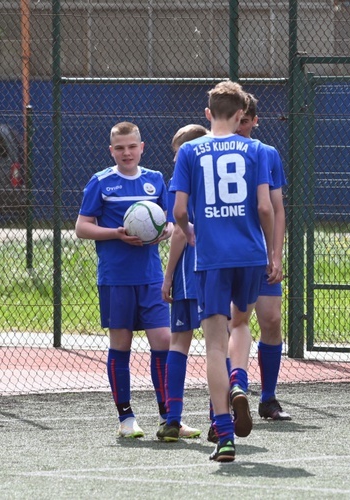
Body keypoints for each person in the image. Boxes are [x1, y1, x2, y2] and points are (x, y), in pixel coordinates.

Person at [170, 81, 275, 462]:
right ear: (241, 114)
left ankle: (225, 436)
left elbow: (179, 210)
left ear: (208, 113)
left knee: (213, 343)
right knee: (242, 324)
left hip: (211, 256)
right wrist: (273, 252)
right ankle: (240, 382)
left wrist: (189, 229)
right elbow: (266, 208)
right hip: (249, 252)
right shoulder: (257, 150)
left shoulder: (191, 151)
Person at [75, 121, 173, 438]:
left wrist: (162, 233)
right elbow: (82, 227)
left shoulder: (155, 180)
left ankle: (168, 417)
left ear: (142, 147)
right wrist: (115, 234)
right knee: (121, 345)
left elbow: (170, 224)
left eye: (132, 146)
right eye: (120, 148)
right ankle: (126, 418)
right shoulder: (100, 182)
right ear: (111, 151)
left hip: (151, 278)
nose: (126, 152)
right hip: (116, 278)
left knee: (163, 342)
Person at [232, 94, 291, 421]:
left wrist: (275, 254)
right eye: (236, 119)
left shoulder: (267, 154)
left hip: (260, 253)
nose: (240, 126)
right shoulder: (214, 153)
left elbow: (276, 209)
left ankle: (268, 398)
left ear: (255, 121)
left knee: (271, 320)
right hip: (229, 255)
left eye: (246, 120)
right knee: (233, 323)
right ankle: (229, 392)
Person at [156, 124, 210, 442]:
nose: (174, 158)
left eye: (177, 152)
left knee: (180, 344)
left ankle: (173, 419)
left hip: (191, 271)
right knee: (221, 342)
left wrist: (168, 276)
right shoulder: (217, 176)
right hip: (221, 266)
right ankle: (221, 416)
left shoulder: (182, 178)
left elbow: (179, 229)